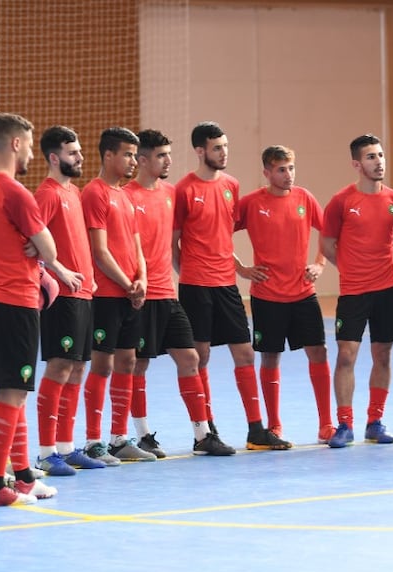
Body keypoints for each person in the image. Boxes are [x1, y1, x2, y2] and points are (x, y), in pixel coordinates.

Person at [0, 112, 82, 506]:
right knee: (13, 395)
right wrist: (57, 266)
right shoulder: (14, 191)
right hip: (14, 300)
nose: (32, 152)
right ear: (16, 144)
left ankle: (23, 478)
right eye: (31, 145)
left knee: (12, 392)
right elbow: (46, 244)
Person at [173, 122, 289, 451]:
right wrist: (191, 275)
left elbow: (222, 236)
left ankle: (256, 430)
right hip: (197, 286)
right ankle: (206, 430)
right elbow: (174, 244)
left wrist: (240, 268)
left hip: (226, 286)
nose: (224, 153)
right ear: (200, 151)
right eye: (217, 148)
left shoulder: (231, 186)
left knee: (244, 353)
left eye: (225, 146)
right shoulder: (184, 189)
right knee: (201, 356)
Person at [125, 129, 233, 457]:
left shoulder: (172, 193)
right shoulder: (127, 195)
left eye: (169, 154)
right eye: (160, 155)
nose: (168, 160)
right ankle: (142, 434)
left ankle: (202, 435)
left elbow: (178, 239)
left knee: (190, 358)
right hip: (138, 297)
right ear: (142, 160)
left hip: (168, 295)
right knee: (137, 366)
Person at [234, 145, 333, 445]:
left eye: (291, 168)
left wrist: (319, 264)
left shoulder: (305, 198)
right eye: (281, 169)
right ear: (267, 172)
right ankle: (274, 425)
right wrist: (241, 268)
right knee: (270, 357)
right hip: (267, 295)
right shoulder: (251, 203)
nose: (288, 175)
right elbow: (216, 232)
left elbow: (328, 234)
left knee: (319, 352)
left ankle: (326, 424)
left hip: (303, 293)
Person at [32, 126, 108, 475]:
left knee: (77, 367)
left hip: (84, 293)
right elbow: (29, 241)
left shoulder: (74, 192)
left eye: (79, 151)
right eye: (72, 153)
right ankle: (47, 452)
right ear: (53, 157)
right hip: (62, 295)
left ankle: (66, 447)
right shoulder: (46, 194)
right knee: (60, 366)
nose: (79, 158)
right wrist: (57, 272)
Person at [320, 134, 393, 448]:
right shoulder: (342, 201)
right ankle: (345, 424)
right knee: (346, 355)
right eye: (370, 157)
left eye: (380, 155)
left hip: (387, 290)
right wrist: (352, 268)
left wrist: (382, 265)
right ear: (357, 164)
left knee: (383, 355)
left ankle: (375, 421)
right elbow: (327, 246)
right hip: (354, 292)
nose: (378, 161)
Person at [80, 127, 157, 464]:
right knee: (102, 363)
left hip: (130, 293)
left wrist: (142, 279)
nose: (131, 162)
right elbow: (99, 251)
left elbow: (137, 245)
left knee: (127, 361)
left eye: (133, 155)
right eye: (126, 154)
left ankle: (118, 438)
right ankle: (94, 441)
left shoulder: (126, 196)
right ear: (108, 155)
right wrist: (128, 284)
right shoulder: (94, 193)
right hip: (107, 295)